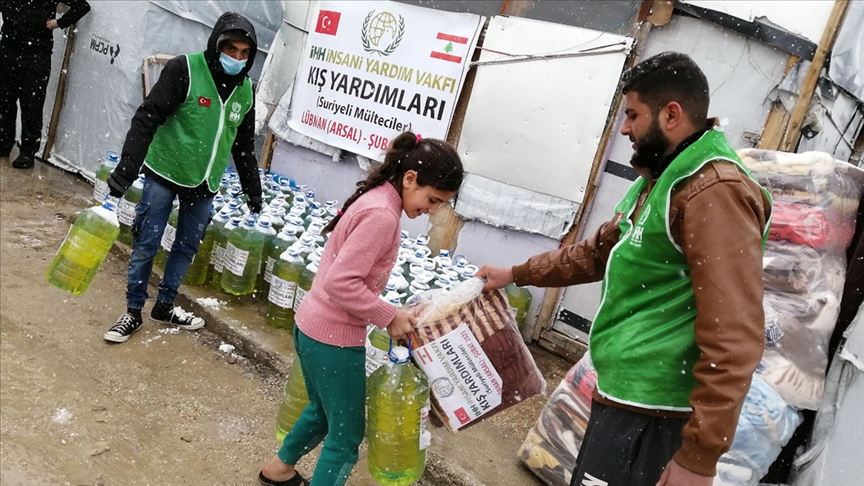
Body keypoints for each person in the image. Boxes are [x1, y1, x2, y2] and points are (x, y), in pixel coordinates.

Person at [478, 52, 772, 486]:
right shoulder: (660, 179)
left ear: (671, 114)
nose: (625, 128)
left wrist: (699, 455)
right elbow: (596, 254)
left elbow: (735, 332)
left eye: (633, 115)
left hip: (656, 414)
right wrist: (516, 273)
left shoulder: (713, 191)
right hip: (625, 399)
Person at [258, 132, 464, 486]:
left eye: (439, 204)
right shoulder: (382, 215)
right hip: (333, 339)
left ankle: (277, 470)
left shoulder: (378, 200)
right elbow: (342, 282)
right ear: (410, 178)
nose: (432, 210)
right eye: (432, 199)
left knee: (323, 413)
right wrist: (388, 315)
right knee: (346, 439)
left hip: (312, 326)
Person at [102, 11, 263, 343]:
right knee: (147, 241)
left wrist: (253, 192)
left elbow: (243, 145)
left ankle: (165, 304)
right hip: (166, 171)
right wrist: (126, 170)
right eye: (230, 49)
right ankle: (133, 312)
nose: (236, 58)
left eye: (244, 53)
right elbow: (147, 117)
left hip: (205, 182)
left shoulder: (246, 90)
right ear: (216, 44)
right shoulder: (185, 70)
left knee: (187, 245)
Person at [0, 0, 91, 169]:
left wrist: (59, 23)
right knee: (5, 99)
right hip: (8, 49)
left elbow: (82, 6)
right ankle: (4, 143)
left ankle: (27, 152)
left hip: (36, 54)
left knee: (32, 104)